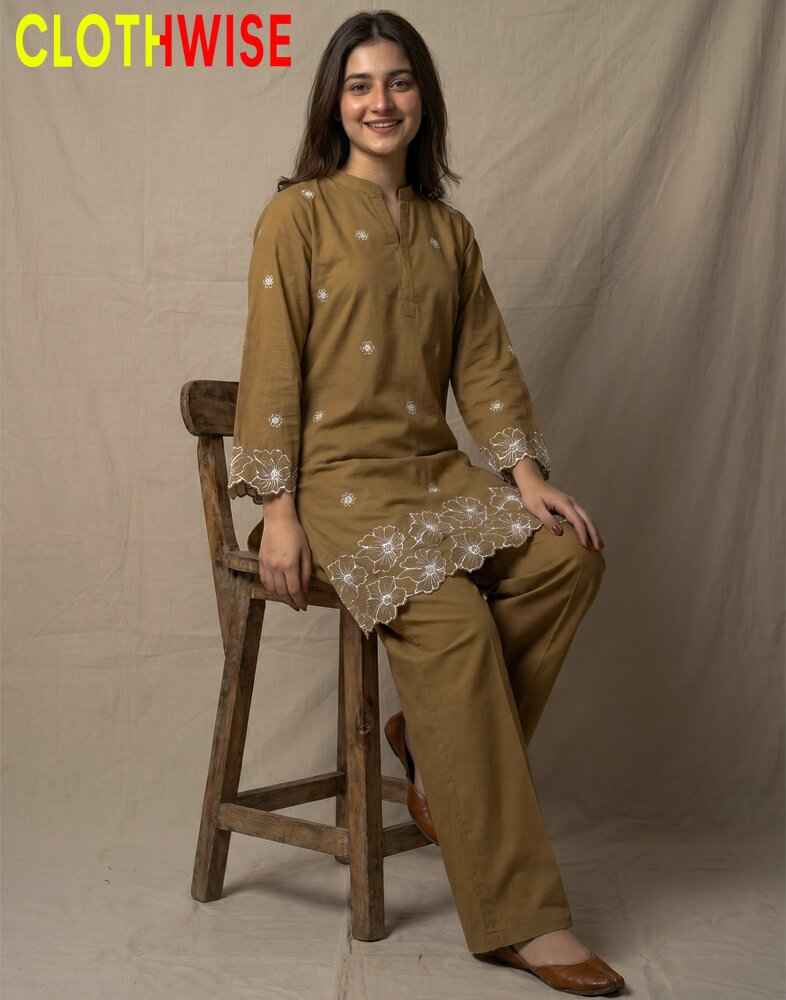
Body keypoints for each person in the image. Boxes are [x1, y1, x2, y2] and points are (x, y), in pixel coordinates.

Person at [229, 9, 625, 996]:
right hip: (338, 488)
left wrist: (526, 476)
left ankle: (429, 751)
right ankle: (523, 918)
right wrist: (277, 506)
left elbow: (485, 365)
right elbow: (269, 372)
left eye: (398, 82)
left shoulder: (450, 233)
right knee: (450, 622)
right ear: (335, 102)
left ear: (422, 99)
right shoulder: (300, 215)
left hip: (435, 475)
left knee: (570, 556)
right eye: (360, 84)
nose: (380, 101)